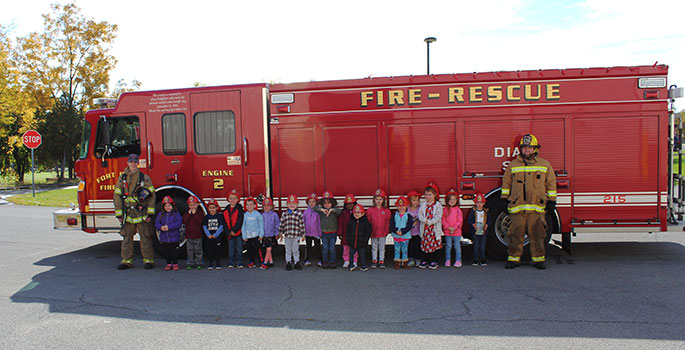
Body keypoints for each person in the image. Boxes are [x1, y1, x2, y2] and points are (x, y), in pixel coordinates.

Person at [501, 133, 557, 270]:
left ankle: (538, 260)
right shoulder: (513, 165)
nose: (527, 150)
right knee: (515, 235)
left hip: (536, 208)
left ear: (535, 149)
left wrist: (551, 201)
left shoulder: (545, 165)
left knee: (537, 235)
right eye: (524, 147)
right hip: (517, 207)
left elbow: (551, 183)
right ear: (520, 149)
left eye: (530, 147)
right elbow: (506, 183)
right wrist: (504, 200)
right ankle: (513, 259)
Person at [113, 154, 156, 270]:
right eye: (131, 162)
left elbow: (151, 195)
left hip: (141, 212)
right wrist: (119, 214)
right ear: (127, 163)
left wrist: (150, 213)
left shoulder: (144, 178)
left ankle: (148, 260)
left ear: (138, 163)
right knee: (127, 237)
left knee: (145, 236)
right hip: (128, 213)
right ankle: (126, 261)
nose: (133, 164)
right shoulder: (122, 179)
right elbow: (117, 196)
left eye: (135, 162)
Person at [418, 183, 443, 270]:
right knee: (425, 244)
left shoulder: (438, 205)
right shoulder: (423, 205)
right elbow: (420, 214)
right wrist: (425, 221)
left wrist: (431, 222)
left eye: (430, 195)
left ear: (434, 195)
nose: (428, 197)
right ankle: (425, 260)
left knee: (434, 245)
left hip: (434, 229)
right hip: (425, 229)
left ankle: (434, 260)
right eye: (426, 195)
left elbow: (439, 216)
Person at [155, 195, 183, 271]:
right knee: (166, 252)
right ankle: (168, 264)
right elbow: (156, 223)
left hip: (174, 237)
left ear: (172, 206)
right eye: (166, 206)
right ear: (163, 207)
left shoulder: (176, 214)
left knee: (174, 252)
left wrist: (169, 227)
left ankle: (175, 264)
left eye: (169, 206)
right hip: (164, 238)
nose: (168, 207)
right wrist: (160, 227)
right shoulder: (160, 214)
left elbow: (178, 223)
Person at [315, 191, 342, 269]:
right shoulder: (322, 211)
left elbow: (340, 212)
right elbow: (315, 208)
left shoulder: (334, 210)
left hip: (333, 232)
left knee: (332, 248)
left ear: (332, 203)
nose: (327, 205)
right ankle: (325, 261)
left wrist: (332, 210)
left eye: (329, 203)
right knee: (325, 248)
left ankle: (333, 261)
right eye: (325, 203)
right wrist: (322, 210)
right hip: (324, 232)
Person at [279, 194, 305, 271]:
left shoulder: (299, 214)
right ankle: (288, 262)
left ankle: (297, 262)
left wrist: (303, 235)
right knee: (288, 250)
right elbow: (282, 224)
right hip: (287, 236)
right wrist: (280, 233)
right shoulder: (284, 214)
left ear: (297, 204)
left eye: (294, 204)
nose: (292, 205)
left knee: (296, 250)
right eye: (290, 204)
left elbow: (301, 225)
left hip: (296, 236)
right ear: (287, 205)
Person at [367, 188, 390, 269]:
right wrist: (370, 231)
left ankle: (381, 260)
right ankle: (374, 260)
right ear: (374, 200)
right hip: (374, 232)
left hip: (382, 232)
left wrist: (386, 231)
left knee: (382, 247)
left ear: (384, 200)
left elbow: (387, 222)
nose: (379, 201)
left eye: (381, 199)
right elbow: (368, 222)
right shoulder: (370, 210)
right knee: (374, 247)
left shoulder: (386, 211)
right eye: (377, 199)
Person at [389, 196, 413, 269]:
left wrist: (402, 231)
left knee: (405, 250)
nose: (401, 208)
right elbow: (391, 225)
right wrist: (396, 231)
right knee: (397, 249)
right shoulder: (394, 215)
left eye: (403, 206)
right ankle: (397, 262)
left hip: (405, 236)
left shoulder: (408, 216)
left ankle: (404, 262)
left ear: (407, 206)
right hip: (396, 236)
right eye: (399, 206)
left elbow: (409, 225)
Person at [346, 204, 372, 271]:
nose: (356, 214)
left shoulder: (366, 222)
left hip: (361, 242)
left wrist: (365, 240)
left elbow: (368, 232)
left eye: (358, 213)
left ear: (363, 214)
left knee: (362, 255)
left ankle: (363, 266)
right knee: (351, 254)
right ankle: (351, 265)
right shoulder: (351, 222)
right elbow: (348, 231)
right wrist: (348, 238)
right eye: (355, 213)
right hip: (352, 242)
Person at [467, 193, 490, 267]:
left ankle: (483, 260)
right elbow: (469, 220)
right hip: (475, 232)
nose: (479, 204)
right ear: (475, 203)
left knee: (482, 247)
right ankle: (476, 260)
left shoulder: (486, 212)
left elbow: (489, 220)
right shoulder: (473, 211)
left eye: (481, 203)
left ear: (484, 203)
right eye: (478, 203)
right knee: (476, 247)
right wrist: (473, 225)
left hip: (483, 232)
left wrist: (487, 225)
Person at [442, 189, 463, 268]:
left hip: (456, 232)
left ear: (457, 200)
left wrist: (454, 228)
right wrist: (448, 227)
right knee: (448, 246)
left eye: (454, 199)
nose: (452, 201)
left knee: (457, 246)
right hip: (448, 231)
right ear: (447, 200)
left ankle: (458, 260)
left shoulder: (458, 210)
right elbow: (443, 219)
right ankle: (448, 260)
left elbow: (460, 221)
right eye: (450, 199)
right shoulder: (445, 209)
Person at [223, 189, 244, 268]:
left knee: (239, 248)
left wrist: (235, 230)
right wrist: (228, 231)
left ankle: (239, 263)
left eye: (234, 198)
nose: (232, 200)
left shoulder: (239, 209)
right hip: (229, 234)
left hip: (238, 233)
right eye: (231, 198)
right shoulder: (226, 210)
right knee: (231, 249)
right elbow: (224, 222)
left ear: (238, 200)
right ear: (228, 199)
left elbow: (240, 221)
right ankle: (231, 262)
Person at [242, 197, 265, 269]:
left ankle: (262, 262)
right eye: (247, 205)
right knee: (249, 250)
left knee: (258, 250)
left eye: (251, 205)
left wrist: (261, 234)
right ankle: (251, 262)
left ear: (255, 205)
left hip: (256, 236)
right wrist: (244, 235)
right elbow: (243, 226)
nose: (249, 206)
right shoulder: (245, 215)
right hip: (248, 236)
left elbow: (261, 224)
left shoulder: (257, 214)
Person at [202, 198, 226, 270]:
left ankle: (218, 263)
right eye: (210, 208)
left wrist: (215, 235)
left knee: (217, 251)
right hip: (209, 237)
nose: (212, 209)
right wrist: (208, 234)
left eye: (213, 208)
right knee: (210, 251)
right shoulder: (206, 217)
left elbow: (221, 226)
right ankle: (210, 263)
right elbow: (204, 226)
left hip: (217, 237)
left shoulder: (219, 216)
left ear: (217, 208)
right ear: (208, 208)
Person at [183, 195, 204, 270]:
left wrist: (194, 214)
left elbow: (199, 222)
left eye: (194, 205)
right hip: (189, 236)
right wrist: (189, 214)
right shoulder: (187, 213)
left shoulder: (199, 213)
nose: (192, 207)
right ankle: (190, 263)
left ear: (198, 205)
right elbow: (184, 221)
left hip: (198, 235)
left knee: (198, 250)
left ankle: (199, 263)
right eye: (190, 205)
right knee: (190, 250)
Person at [337, 194, 358, 268]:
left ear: (354, 204)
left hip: (355, 233)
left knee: (355, 247)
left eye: (351, 204)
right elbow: (340, 223)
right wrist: (339, 233)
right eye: (348, 204)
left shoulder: (357, 212)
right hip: (345, 233)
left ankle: (354, 261)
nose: (350, 205)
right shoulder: (343, 213)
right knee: (345, 248)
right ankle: (346, 260)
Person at [302, 193, 322, 267]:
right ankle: (307, 260)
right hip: (308, 233)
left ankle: (320, 260)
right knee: (308, 247)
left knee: (318, 247)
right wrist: (303, 233)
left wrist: (320, 233)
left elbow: (319, 223)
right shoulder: (305, 212)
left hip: (316, 233)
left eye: (313, 202)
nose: (311, 203)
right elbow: (303, 222)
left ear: (316, 203)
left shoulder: (318, 212)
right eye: (310, 202)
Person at [261, 197, 280, 268]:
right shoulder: (262, 215)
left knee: (269, 249)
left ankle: (265, 262)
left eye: (268, 206)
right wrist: (261, 234)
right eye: (265, 206)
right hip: (265, 235)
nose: (267, 207)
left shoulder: (275, 215)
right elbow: (261, 225)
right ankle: (271, 261)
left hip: (272, 235)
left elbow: (277, 225)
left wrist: (277, 233)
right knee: (267, 248)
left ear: (272, 207)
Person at [406, 190, 422, 267]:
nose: (416, 202)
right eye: (414, 200)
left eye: (417, 200)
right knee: (410, 246)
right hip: (409, 232)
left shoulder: (420, 209)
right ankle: (411, 258)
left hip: (418, 232)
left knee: (417, 245)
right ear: (410, 201)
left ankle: (418, 258)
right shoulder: (407, 209)